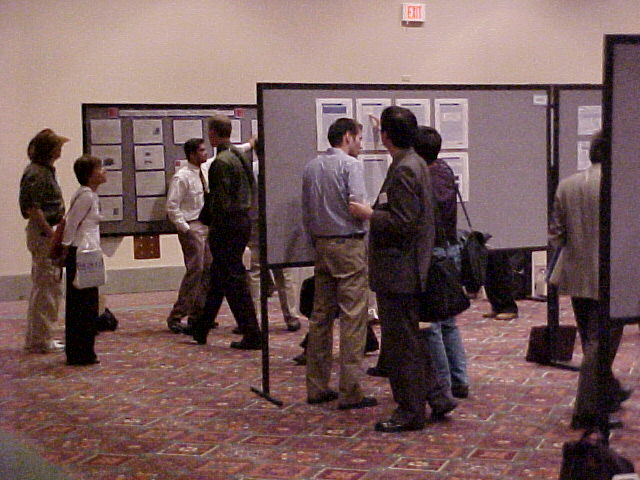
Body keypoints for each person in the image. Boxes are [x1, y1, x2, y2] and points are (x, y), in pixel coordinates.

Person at [350, 106, 456, 432]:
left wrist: (370, 214)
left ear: (385, 136)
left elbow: (403, 222)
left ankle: (410, 410)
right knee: (411, 338)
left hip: (400, 270)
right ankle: (437, 396)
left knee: (400, 344)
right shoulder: (414, 162)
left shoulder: (405, 169)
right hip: (407, 267)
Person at [549, 130, 631, 429]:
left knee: (591, 343)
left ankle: (609, 392)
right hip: (612, 277)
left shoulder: (567, 185)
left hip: (576, 275)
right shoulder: (622, 187)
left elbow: (556, 236)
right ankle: (587, 411)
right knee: (600, 347)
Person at [302, 118, 377, 410]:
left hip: (322, 245)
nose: (361, 145)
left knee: (320, 317)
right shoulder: (351, 166)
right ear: (347, 137)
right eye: (359, 138)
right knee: (353, 318)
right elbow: (357, 206)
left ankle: (316, 386)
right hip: (348, 244)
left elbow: (307, 211)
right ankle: (350, 390)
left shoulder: (311, 167)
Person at [191, 115, 262, 350]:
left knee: (233, 279)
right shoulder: (239, 156)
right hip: (242, 221)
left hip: (226, 225)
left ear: (212, 133)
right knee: (219, 276)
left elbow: (220, 202)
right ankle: (201, 327)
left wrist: (211, 224)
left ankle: (252, 332)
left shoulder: (220, 162)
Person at [415, 126, 470, 399]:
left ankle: (443, 384)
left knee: (432, 325)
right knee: (448, 321)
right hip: (451, 250)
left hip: (433, 255)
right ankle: (460, 379)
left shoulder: (421, 178)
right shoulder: (445, 170)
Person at [245, 137, 302, 332]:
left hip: (255, 221)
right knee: (283, 272)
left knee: (255, 272)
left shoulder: (251, 169)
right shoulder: (281, 171)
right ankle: (291, 316)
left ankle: (255, 319)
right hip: (278, 224)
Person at [19, 129, 68, 354]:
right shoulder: (37, 174)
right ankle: (41, 339)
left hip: (44, 232)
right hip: (43, 233)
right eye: (57, 146)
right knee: (48, 286)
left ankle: (38, 336)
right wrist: (52, 234)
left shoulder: (42, 171)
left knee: (44, 285)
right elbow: (34, 208)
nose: (60, 150)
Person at [61, 155, 106, 365]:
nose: (104, 171)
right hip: (81, 253)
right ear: (90, 174)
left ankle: (84, 350)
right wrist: (65, 249)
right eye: (100, 168)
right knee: (83, 304)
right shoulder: (86, 196)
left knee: (87, 304)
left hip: (85, 252)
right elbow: (71, 223)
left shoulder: (89, 195)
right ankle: (80, 351)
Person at [165, 138, 212, 334]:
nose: (205, 153)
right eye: (201, 150)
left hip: (206, 225)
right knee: (196, 270)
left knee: (208, 269)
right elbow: (172, 206)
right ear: (192, 154)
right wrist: (185, 228)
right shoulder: (182, 177)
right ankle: (177, 315)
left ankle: (198, 314)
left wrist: (250, 145)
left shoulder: (204, 170)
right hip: (192, 226)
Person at [482, 250, 519, 320]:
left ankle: (509, 309)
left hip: (498, 246)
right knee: (488, 273)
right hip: (487, 246)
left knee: (500, 271)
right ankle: (497, 307)